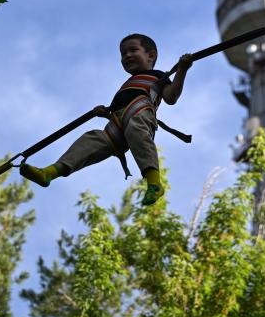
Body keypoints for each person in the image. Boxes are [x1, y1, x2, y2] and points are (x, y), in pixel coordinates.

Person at [20, 34, 193, 206]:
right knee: (90, 140)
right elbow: (119, 107)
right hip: (117, 123)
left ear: (151, 55)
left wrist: (182, 70)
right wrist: (105, 112)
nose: (127, 56)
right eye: (123, 54)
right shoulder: (128, 83)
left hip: (140, 115)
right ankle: (50, 172)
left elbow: (171, 97)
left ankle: (154, 183)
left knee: (136, 129)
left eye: (133, 50)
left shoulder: (158, 76)